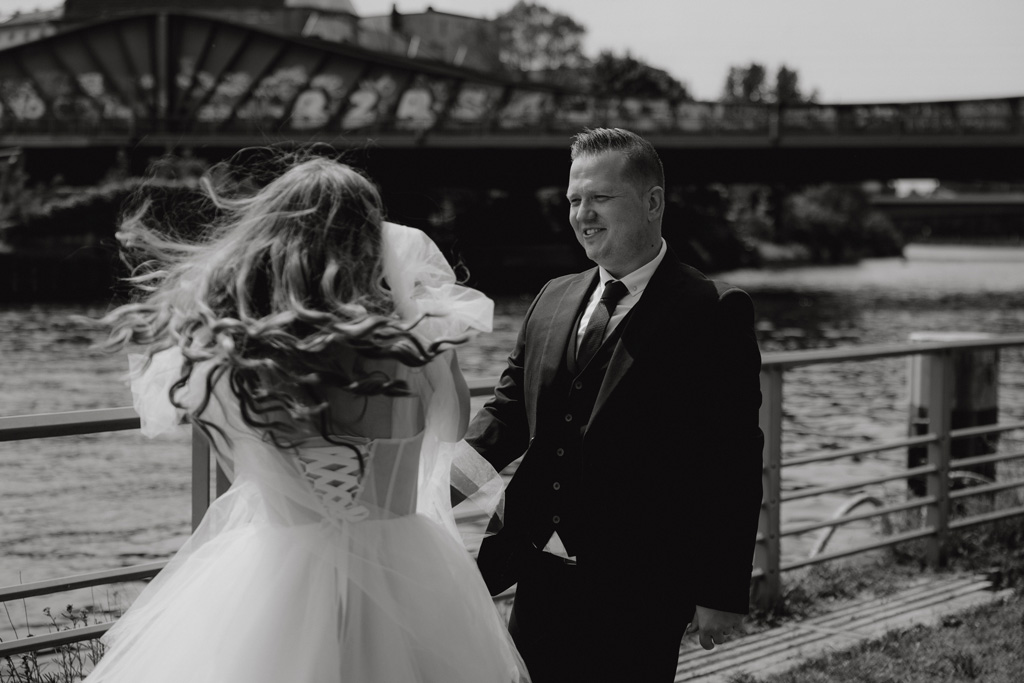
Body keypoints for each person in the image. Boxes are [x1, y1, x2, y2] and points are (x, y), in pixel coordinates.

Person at [83, 152, 529, 683]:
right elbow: (451, 429)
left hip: (273, 570)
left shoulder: (241, 354)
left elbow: (222, 440)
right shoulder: (416, 344)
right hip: (403, 563)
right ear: (369, 242)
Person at [464, 128, 764, 682]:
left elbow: (733, 465)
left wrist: (720, 590)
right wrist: (431, 491)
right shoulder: (552, 297)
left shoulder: (713, 311)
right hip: (535, 564)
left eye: (601, 198)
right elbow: (506, 415)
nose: (583, 215)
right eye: (575, 200)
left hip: (643, 584)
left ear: (652, 203)